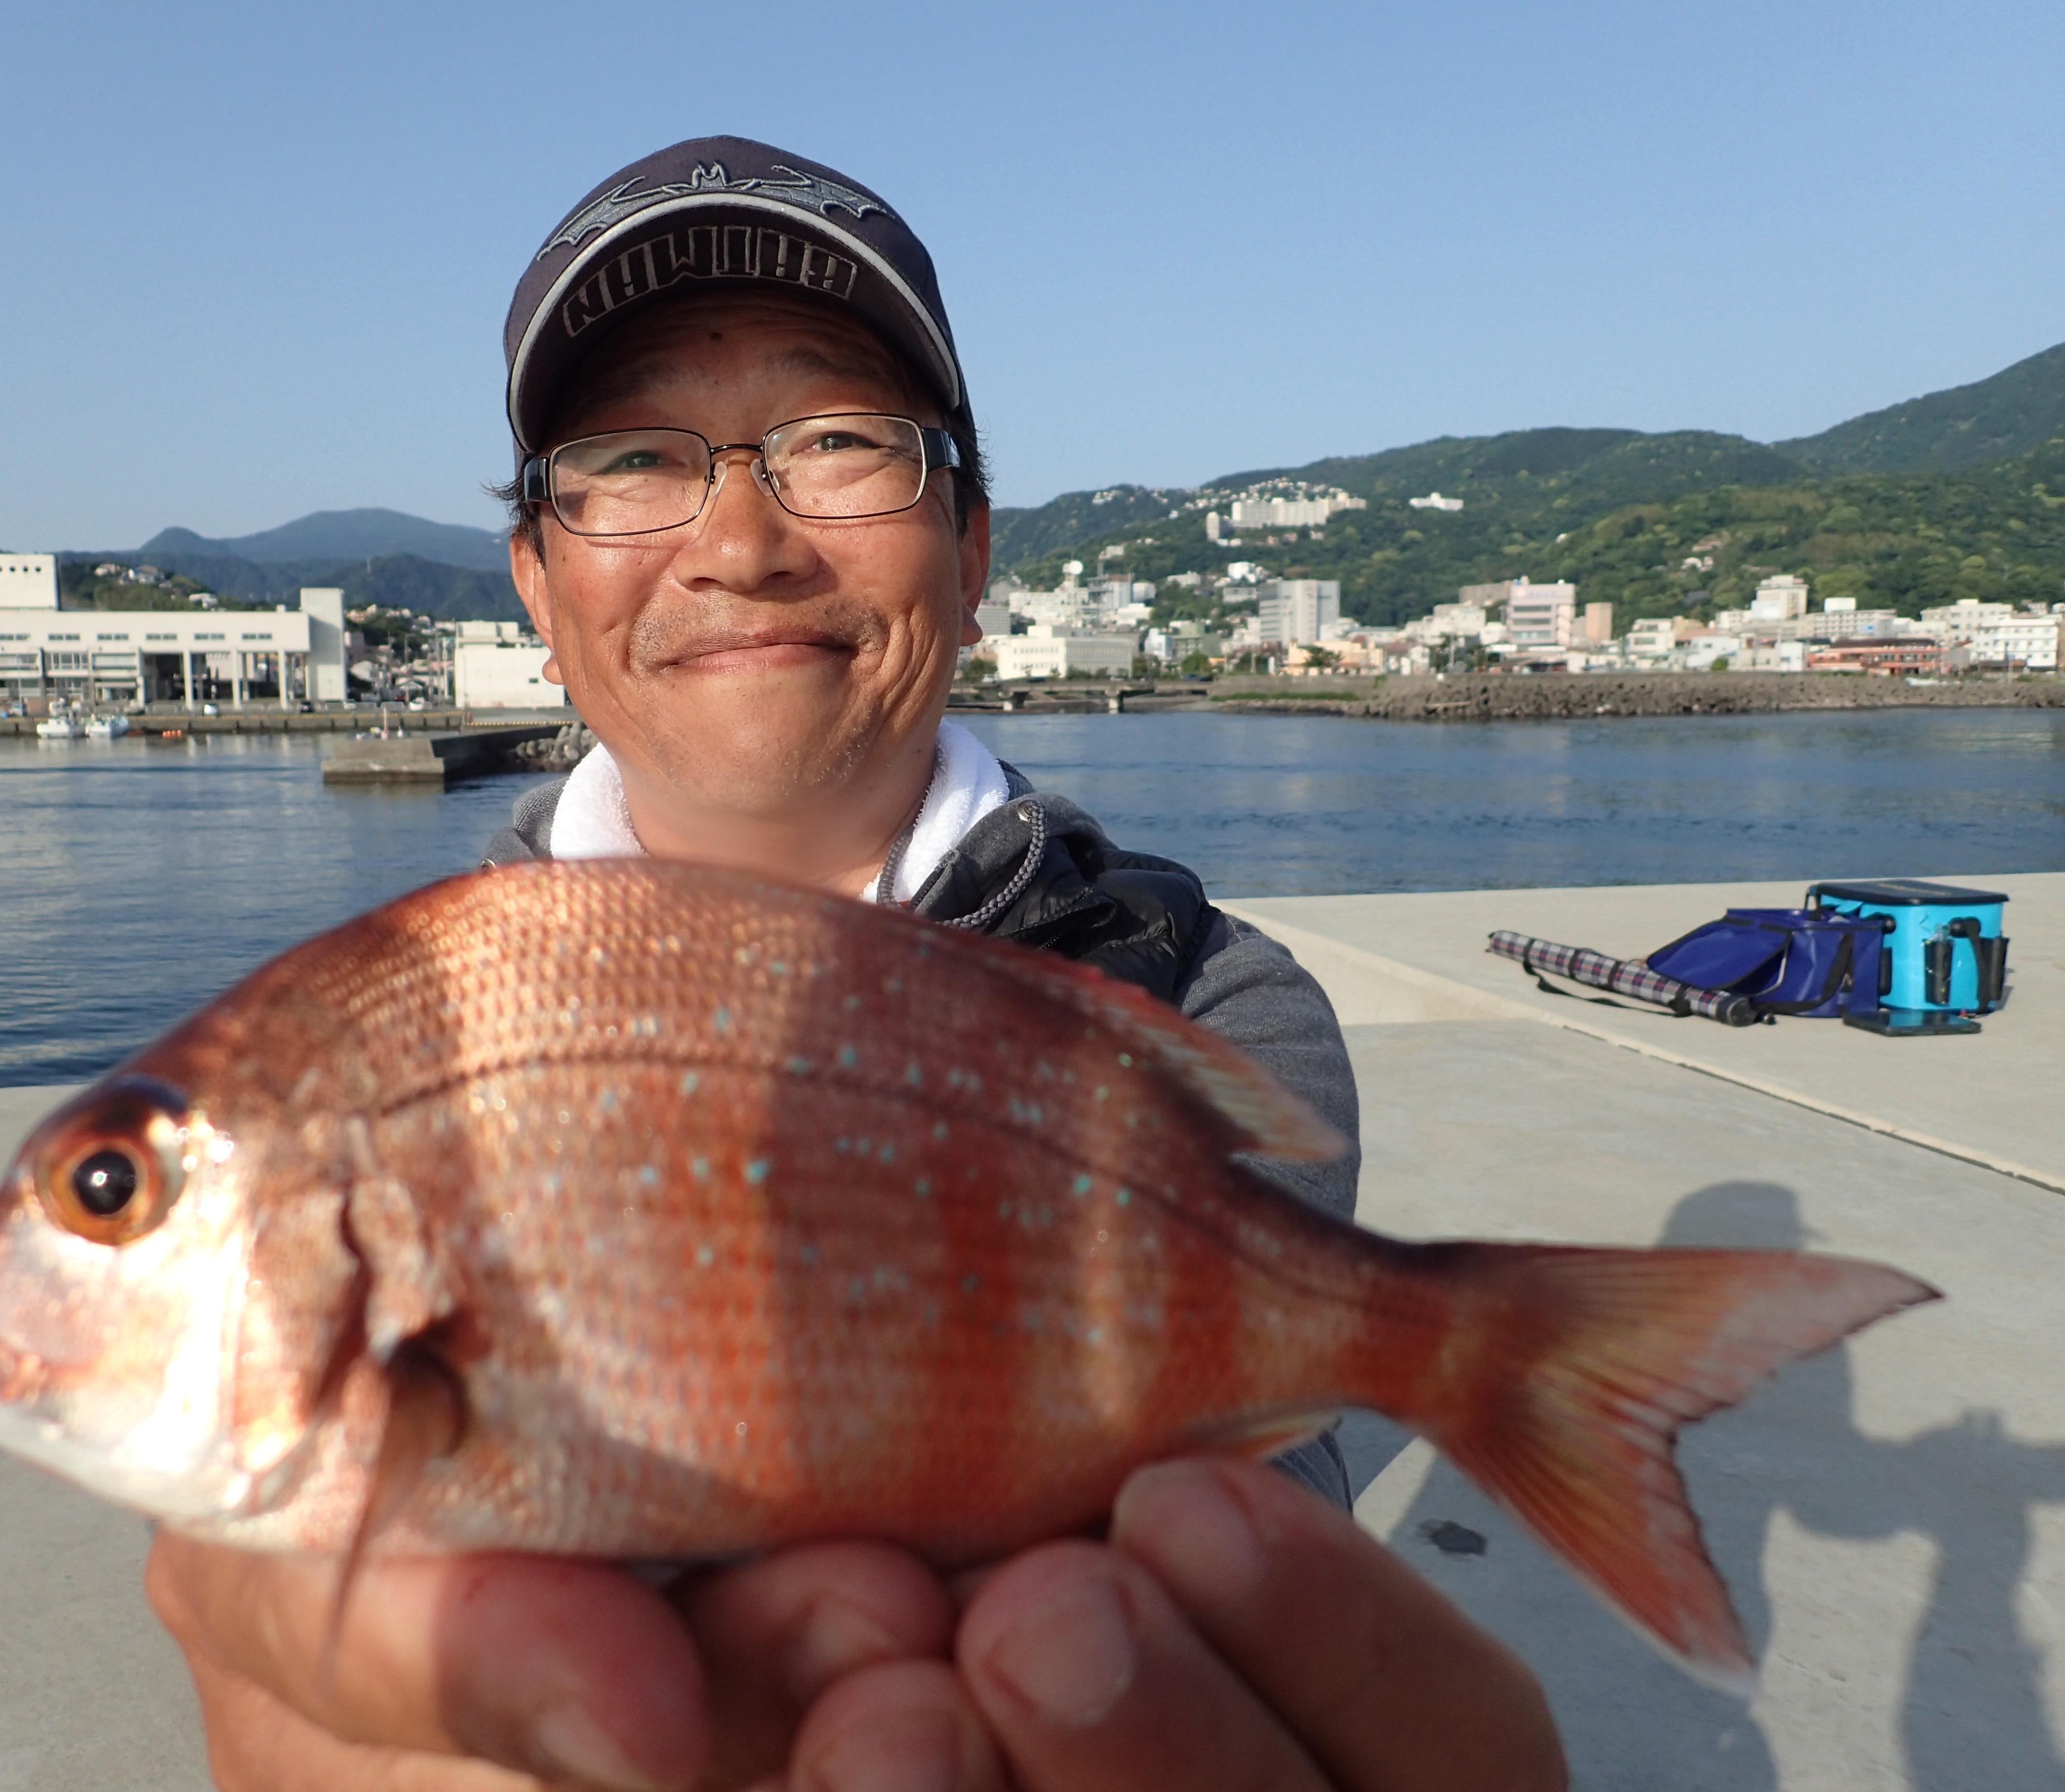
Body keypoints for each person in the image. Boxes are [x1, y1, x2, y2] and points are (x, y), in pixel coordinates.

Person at [146, 136, 1565, 1791]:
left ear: (972, 549)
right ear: (538, 579)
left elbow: (1256, 1480)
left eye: (836, 443)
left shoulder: (1199, 999)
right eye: (628, 460)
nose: (741, 543)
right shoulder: (401, 1029)